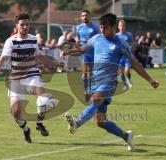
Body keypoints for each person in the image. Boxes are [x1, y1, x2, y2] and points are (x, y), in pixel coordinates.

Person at [63, 13, 159, 151]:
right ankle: (126, 136)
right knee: (100, 121)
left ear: (113, 27)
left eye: (105, 27)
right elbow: (82, 50)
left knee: (95, 100)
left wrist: (150, 80)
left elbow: (135, 63)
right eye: (101, 27)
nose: (102, 30)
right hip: (96, 82)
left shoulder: (121, 44)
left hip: (109, 83)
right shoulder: (96, 39)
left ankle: (76, 124)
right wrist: (69, 52)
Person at [0, 13, 63, 143]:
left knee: (44, 98)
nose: (25, 27)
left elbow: (39, 57)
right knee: (16, 112)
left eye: (27, 24)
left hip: (32, 74)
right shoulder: (10, 41)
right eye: (22, 24)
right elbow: (3, 58)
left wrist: (56, 63)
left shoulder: (33, 39)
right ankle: (26, 129)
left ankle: (39, 122)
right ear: (16, 26)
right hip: (16, 79)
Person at [75, 10, 100, 102]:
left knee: (93, 74)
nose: (84, 17)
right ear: (81, 17)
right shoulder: (79, 27)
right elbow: (77, 36)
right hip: (84, 53)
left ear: (90, 16)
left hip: (94, 53)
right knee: (85, 73)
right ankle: (86, 92)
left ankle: (92, 92)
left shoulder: (95, 27)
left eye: (86, 15)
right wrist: (77, 40)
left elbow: (99, 37)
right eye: (83, 15)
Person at [116, 19, 133, 88]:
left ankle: (129, 80)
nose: (122, 27)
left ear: (125, 26)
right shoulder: (116, 35)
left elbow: (133, 43)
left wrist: (131, 47)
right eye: (120, 25)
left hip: (127, 56)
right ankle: (125, 84)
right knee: (121, 71)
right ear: (118, 27)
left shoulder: (129, 35)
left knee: (127, 71)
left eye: (123, 25)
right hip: (120, 56)